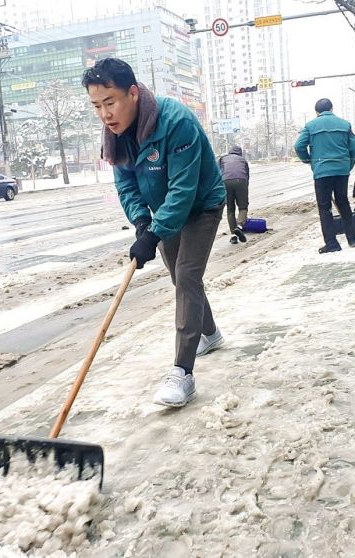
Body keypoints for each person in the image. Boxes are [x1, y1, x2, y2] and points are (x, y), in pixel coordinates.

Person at [83, 57, 226, 408]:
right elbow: (127, 185)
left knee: (188, 275)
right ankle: (210, 333)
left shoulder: (175, 121)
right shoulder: (114, 137)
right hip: (165, 212)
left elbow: (183, 189)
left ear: (133, 93)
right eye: (97, 106)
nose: (105, 114)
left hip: (202, 204)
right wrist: (142, 223)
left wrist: (154, 232)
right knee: (181, 280)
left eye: (110, 102)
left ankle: (182, 373)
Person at [294, 98, 355, 253]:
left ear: (317, 112)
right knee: (343, 202)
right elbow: (354, 148)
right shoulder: (344, 124)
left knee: (325, 207)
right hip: (341, 170)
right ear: (331, 108)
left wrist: (309, 161)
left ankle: (332, 243)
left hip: (322, 171)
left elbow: (298, 146)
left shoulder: (310, 126)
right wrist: (347, 166)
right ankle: (352, 238)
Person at [219, 145, 249, 244]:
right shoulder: (243, 160)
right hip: (241, 181)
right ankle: (239, 226)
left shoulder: (223, 158)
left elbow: (218, 172)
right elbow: (247, 175)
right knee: (243, 207)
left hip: (225, 182)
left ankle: (233, 236)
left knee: (230, 209)